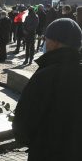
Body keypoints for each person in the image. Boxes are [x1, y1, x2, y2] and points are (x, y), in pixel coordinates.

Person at [13, 18, 82, 161]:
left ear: (56, 42)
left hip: (46, 152)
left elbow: (23, 124)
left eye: (46, 38)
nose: (44, 42)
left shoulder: (44, 76)